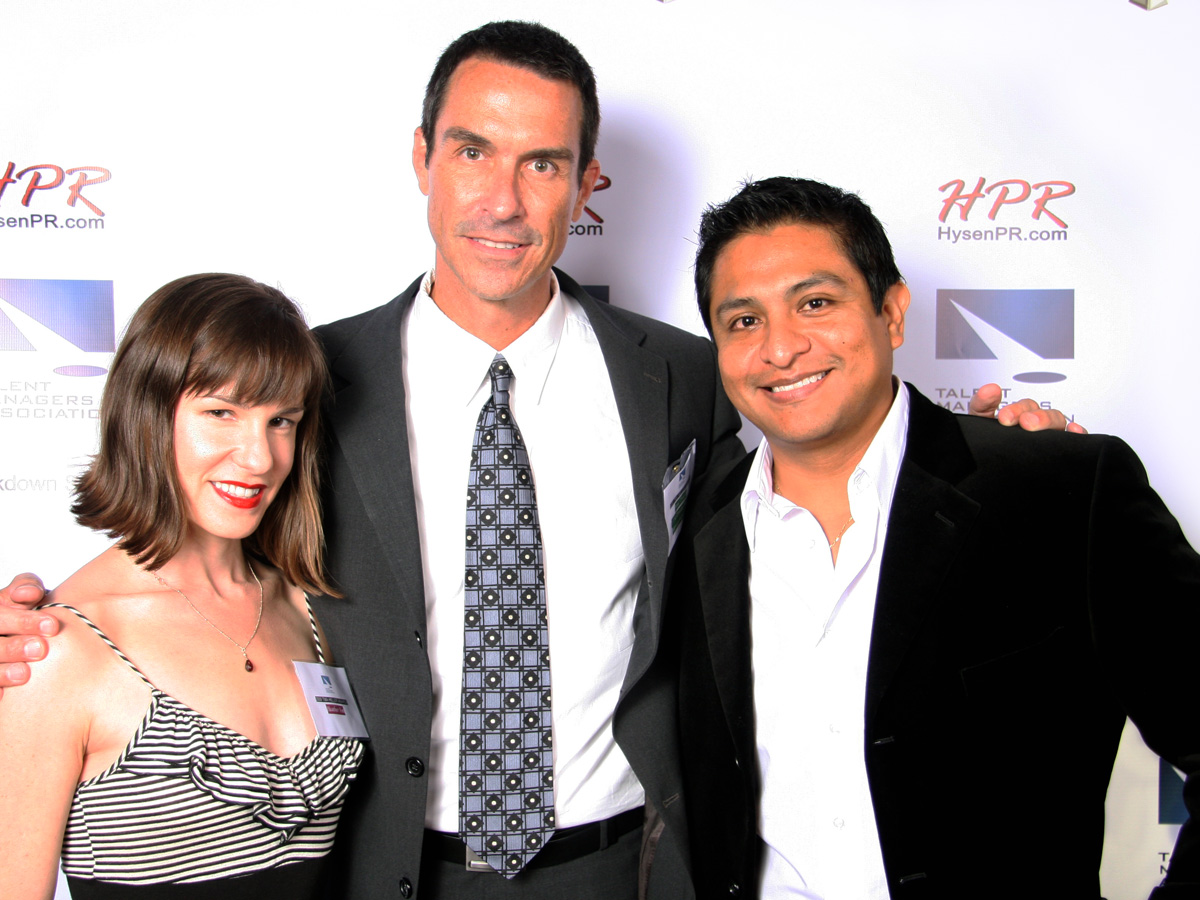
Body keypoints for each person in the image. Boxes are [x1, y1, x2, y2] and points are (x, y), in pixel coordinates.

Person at [0, 22, 1075, 900]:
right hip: (392, 870)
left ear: (584, 183)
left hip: (622, 867)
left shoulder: (688, 378)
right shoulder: (312, 383)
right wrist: (40, 622)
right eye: (471, 151)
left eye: (541, 163)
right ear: (422, 158)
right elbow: (197, 541)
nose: (502, 200)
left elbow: (831, 463)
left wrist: (990, 452)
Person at [670, 176, 1200, 899]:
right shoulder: (692, 528)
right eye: (743, 321)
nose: (782, 347)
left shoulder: (1063, 494)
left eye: (816, 303)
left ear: (891, 313)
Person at [0, 274, 364, 899]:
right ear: (147, 414)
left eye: (281, 421)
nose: (258, 457)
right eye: (221, 413)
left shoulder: (311, 604)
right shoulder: (57, 648)